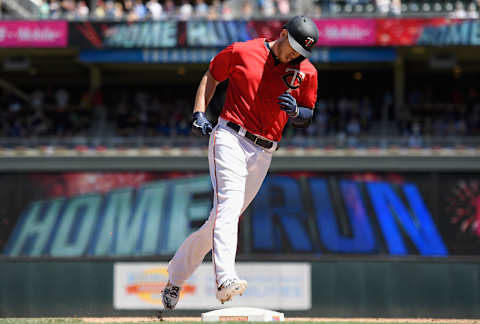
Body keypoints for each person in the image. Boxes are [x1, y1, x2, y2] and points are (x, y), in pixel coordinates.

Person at [162, 15, 319, 310]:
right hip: (230, 137)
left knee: (218, 222)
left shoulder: (306, 71)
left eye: (302, 51)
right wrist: (199, 111)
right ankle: (225, 280)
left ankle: (175, 277)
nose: (296, 53)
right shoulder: (243, 51)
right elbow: (212, 75)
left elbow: (309, 113)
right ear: (282, 33)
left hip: (264, 152)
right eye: (294, 46)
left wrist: (297, 112)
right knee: (229, 207)